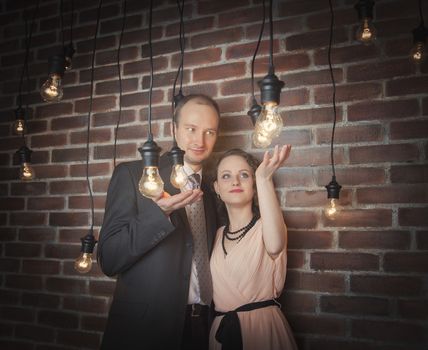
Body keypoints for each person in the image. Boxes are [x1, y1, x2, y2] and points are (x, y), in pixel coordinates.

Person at [97, 94, 220, 350]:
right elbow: (109, 259)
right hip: (144, 331)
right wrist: (159, 214)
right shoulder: (133, 175)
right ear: (174, 129)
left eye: (210, 131)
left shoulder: (215, 189)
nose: (200, 140)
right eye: (191, 129)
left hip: (203, 329)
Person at [209, 146, 298, 350]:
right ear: (216, 188)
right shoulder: (216, 235)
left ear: (254, 185)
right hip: (221, 334)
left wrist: (264, 179)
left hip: (262, 331)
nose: (235, 181)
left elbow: (275, 244)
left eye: (244, 175)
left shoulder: (267, 228)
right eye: (226, 176)